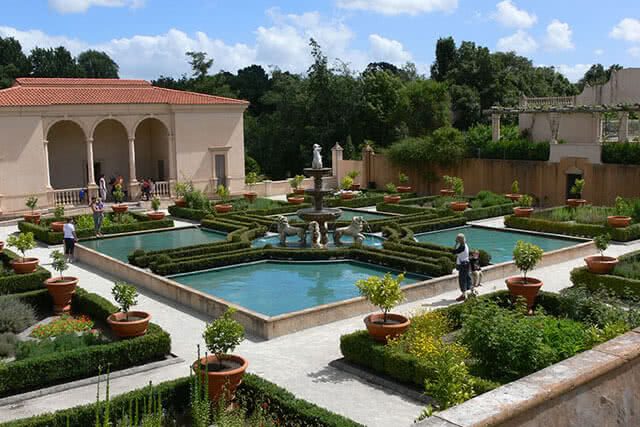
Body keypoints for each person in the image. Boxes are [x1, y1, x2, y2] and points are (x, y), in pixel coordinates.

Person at [452, 233, 472, 301]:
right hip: (466, 263)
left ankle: (464, 295)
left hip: (463, 265)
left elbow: (453, 251)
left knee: (462, 280)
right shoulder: (465, 245)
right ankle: (470, 292)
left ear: (459, 240)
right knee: (467, 278)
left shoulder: (461, 247)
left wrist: (455, 244)